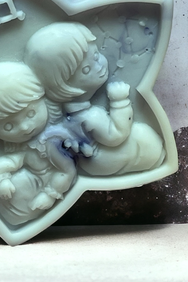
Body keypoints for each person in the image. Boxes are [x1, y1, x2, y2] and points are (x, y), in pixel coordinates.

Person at [25, 22, 166, 176]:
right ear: (65, 86)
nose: (98, 67)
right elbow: (117, 135)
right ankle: (156, 160)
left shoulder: (71, 112)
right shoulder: (90, 116)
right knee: (142, 135)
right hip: (100, 160)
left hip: (91, 159)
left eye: (96, 56)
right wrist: (120, 102)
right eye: (86, 70)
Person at [0, 62, 77, 224]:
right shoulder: (23, 148)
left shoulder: (52, 141)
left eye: (31, 113)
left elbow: (67, 171)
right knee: (17, 185)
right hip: (25, 196)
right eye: (8, 126)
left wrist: (49, 195)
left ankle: (21, 217)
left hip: (51, 186)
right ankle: (15, 218)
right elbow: (8, 162)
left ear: (42, 98)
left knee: (21, 183)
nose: (25, 127)